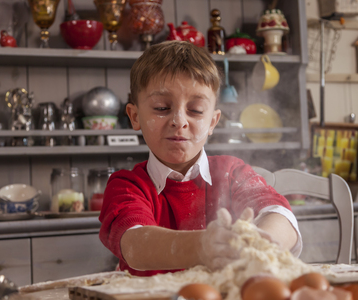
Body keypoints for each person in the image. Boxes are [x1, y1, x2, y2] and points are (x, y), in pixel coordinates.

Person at [99, 41, 302, 276]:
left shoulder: (231, 172)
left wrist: (260, 241)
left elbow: (280, 214)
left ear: (212, 122)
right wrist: (203, 246)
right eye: (162, 107)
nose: (179, 121)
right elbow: (135, 244)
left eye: (195, 110)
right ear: (135, 117)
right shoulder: (127, 186)